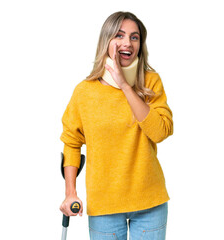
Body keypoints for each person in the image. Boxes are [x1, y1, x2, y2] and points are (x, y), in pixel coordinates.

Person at [59, 11, 173, 240]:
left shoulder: (151, 82)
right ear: (107, 41)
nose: (127, 43)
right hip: (105, 205)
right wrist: (70, 192)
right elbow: (71, 142)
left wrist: (124, 85)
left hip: (150, 202)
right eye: (119, 36)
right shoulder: (85, 92)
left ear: (140, 44)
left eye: (134, 37)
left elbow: (160, 131)